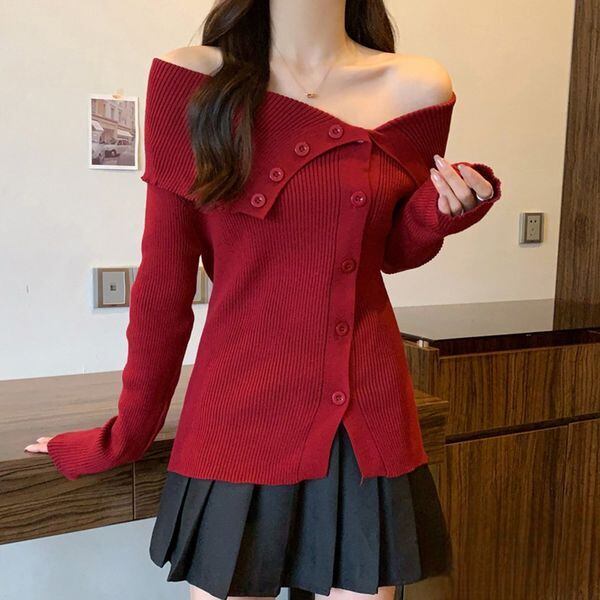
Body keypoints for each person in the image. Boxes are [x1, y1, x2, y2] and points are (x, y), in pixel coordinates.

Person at [25, 1, 502, 598]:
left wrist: (438, 212)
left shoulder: (418, 86)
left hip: (364, 407)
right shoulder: (192, 79)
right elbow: (164, 287)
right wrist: (125, 435)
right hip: (236, 410)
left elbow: (389, 251)